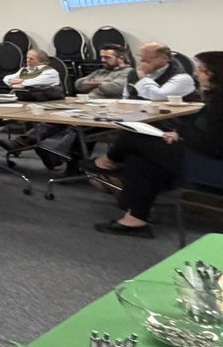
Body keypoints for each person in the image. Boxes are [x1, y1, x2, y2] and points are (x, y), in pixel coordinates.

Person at [87, 51, 223, 238]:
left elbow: (215, 145)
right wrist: (178, 134)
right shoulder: (215, 99)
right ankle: (134, 220)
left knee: (134, 138)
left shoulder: (220, 103)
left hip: (213, 169)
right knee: (141, 158)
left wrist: (182, 134)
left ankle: (106, 162)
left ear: (214, 73)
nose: (196, 74)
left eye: (201, 70)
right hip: (204, 158)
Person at [123, 42, 196, 101]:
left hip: (170, 117)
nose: (142, 62)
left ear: (164, 58)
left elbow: (157, 97)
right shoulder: (133, 73)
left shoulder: (182, 78)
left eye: (147, 60)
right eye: (141, 57)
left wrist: (143, 76)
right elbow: (126, 97)